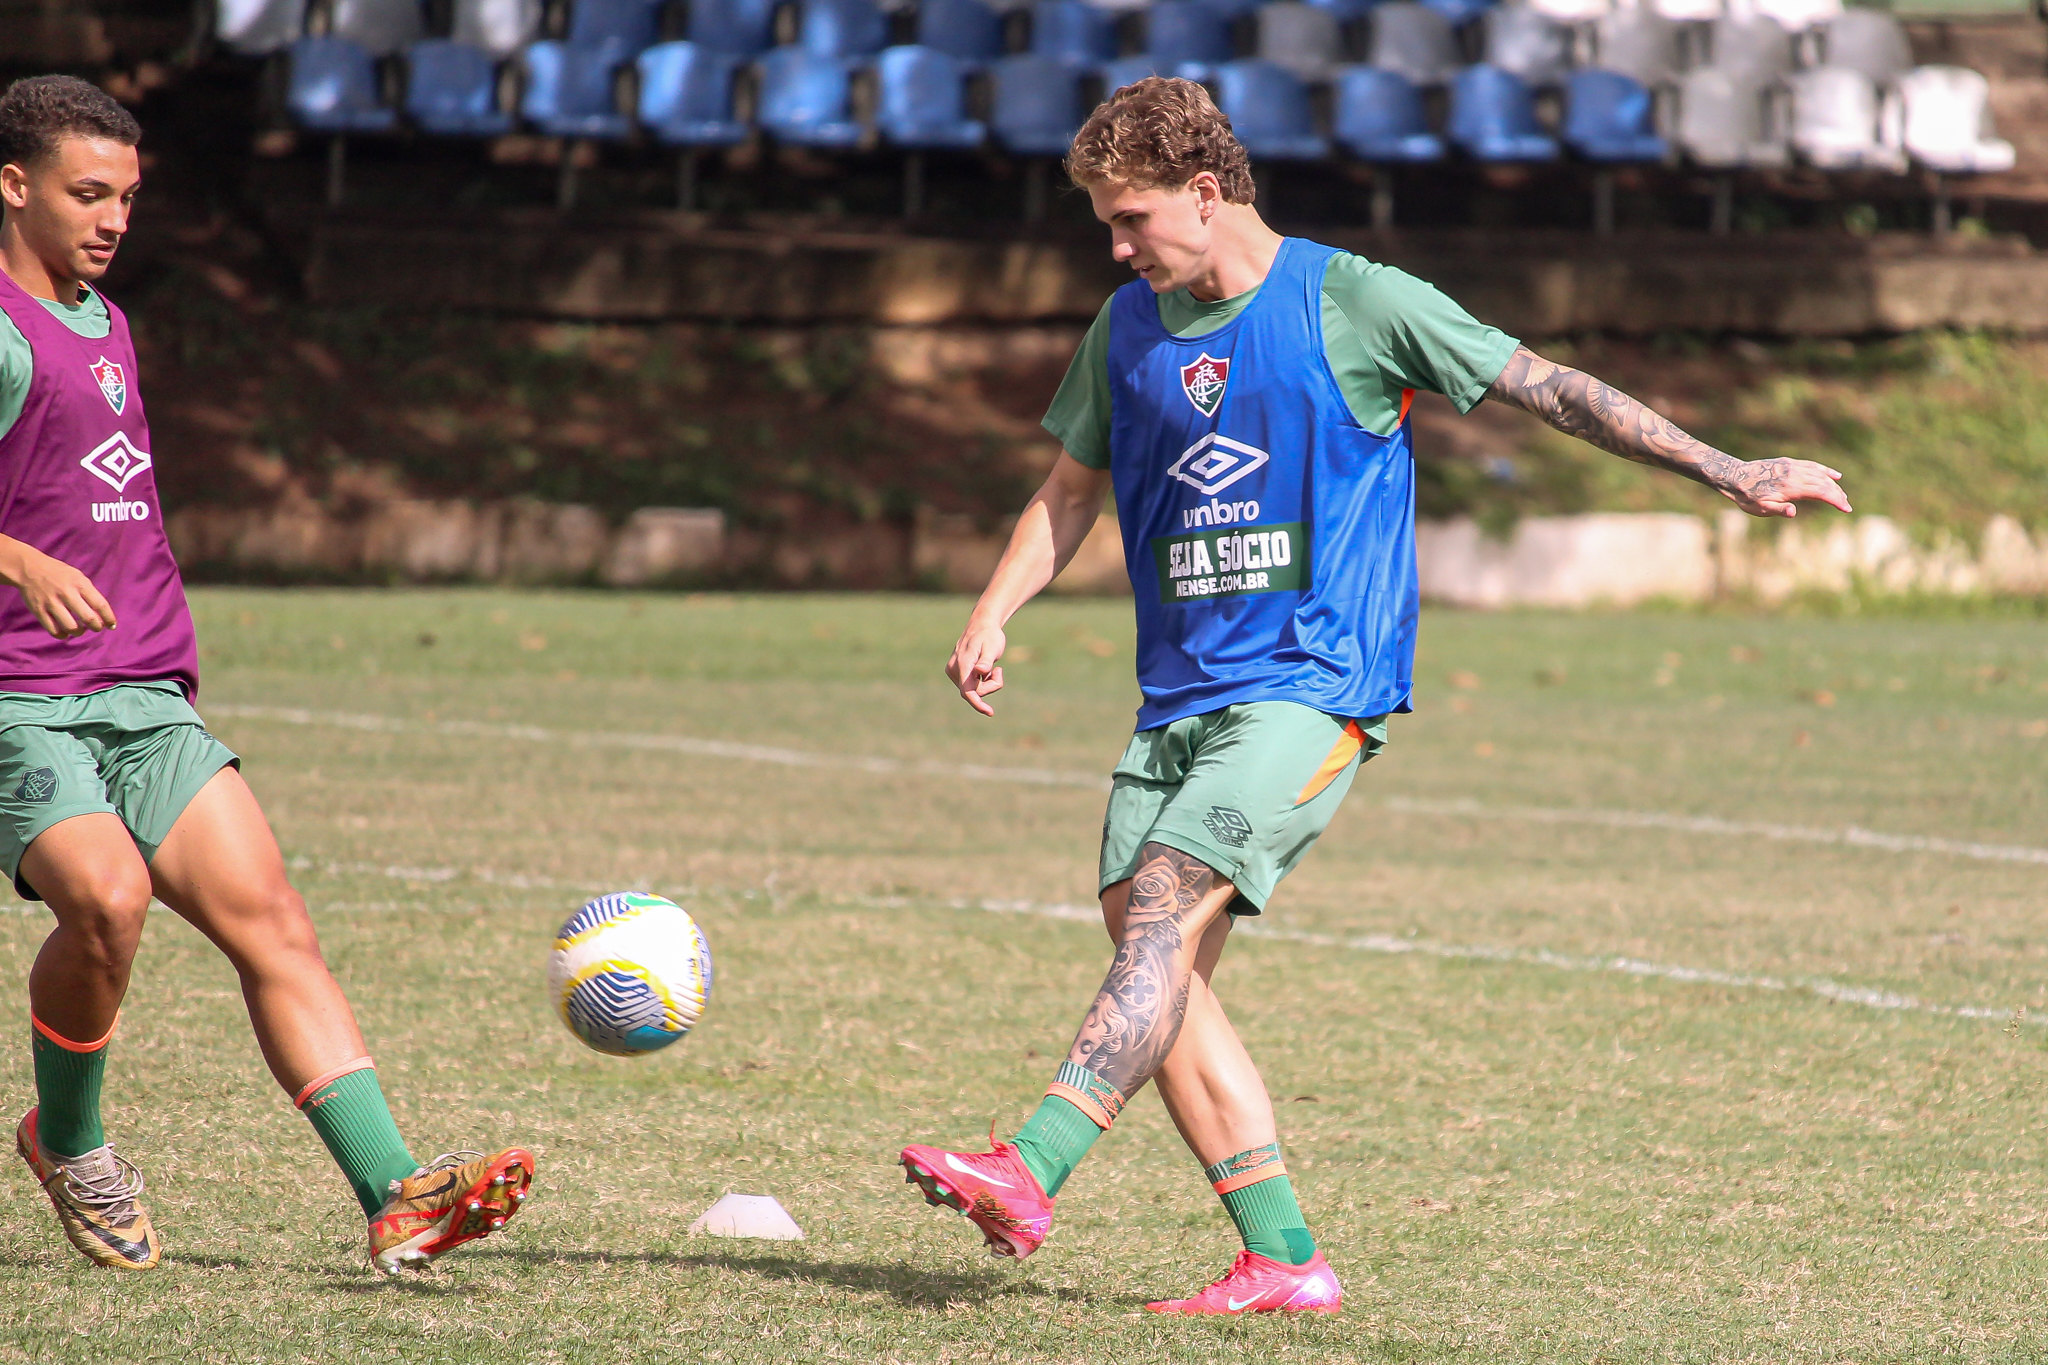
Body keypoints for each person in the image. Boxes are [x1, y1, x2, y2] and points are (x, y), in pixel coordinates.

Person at [899, 77, 1850, 1316]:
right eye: (1106, 225)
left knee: (1161, 916)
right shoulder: (1126, 327)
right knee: (1161, 975)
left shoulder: (1350, 299)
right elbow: (1069, 488)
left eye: (1129, 219)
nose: (1116, 247)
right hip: (1173, 700)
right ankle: (1283, 1260)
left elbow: (1543, 385)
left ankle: (1028, 1168)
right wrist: (990, 612)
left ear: (1204, 192)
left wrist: (1725, 467)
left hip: (1309, 686)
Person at [0, 74, 535, 1274]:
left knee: (274, 922)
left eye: (128, 197)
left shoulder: (104, 320)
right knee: (108, 904)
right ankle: (68, 1139)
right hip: (19, 699)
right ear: (14, 185)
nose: (113, 219)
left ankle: (396, 1195)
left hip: (142, 690)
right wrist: (20, 561)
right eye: (89, 194)